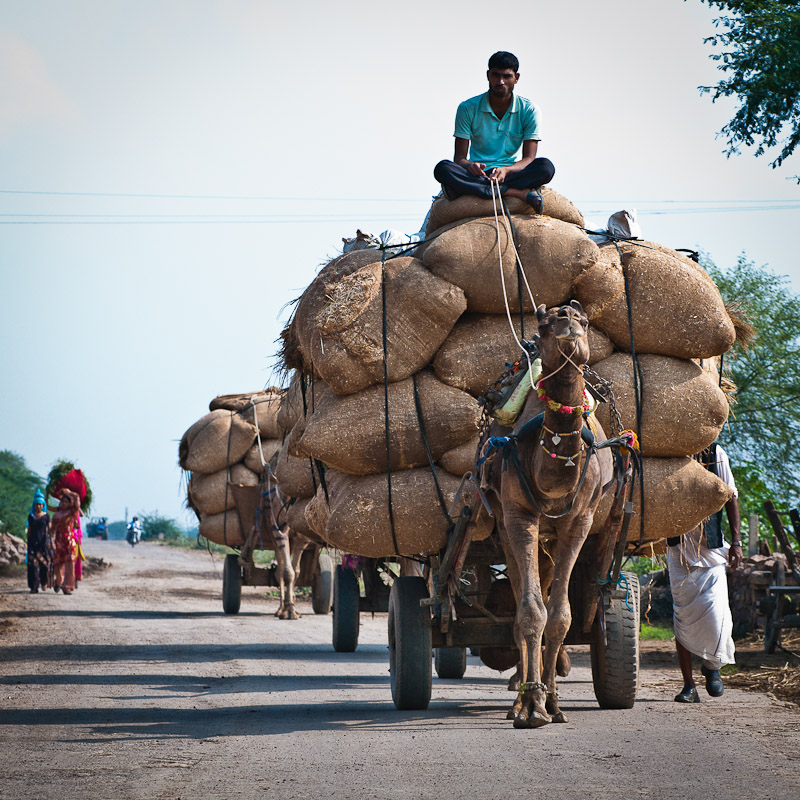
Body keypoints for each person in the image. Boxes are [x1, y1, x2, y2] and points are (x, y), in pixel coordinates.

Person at [666, 442, 743, 703]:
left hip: (710, 550)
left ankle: (712, 666)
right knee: (683, 618)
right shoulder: (667, 456)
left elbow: (730, 495)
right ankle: (689, 686)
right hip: (678, 552)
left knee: (717, 616)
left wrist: (736, 542)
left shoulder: (715, 454)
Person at [433, 51, 555, 209]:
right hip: (479, 174)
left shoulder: (529, 110)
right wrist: (470, 166)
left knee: (546, 167)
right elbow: (459, 158)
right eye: (495, 75)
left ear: (516, 78)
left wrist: (506, 170)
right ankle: (516, 193)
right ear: (488, 75)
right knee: (442, 168)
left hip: (512, 173)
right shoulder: (467, 108)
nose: (501, 81)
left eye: (507, 76)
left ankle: (473, 188)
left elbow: (529, 159)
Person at [50, 487, 82, 595]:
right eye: (62, 501)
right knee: (58, 564)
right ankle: (58, 582)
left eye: (66, 501)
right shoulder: (56, 515)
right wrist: (51, 541)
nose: (63, 503)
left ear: (70, 504)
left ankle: (67, 586)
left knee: (70, 565)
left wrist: (69, 492)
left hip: (70, 541)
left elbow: (77, 501)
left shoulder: (72, 513)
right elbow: (52, 531)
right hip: (59, 541)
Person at [26, 489, 52, 593]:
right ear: (34, 505)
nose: (38, 506)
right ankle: (34, 587)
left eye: (40, 504)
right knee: (33, 566)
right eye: (36, 504)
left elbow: (49, 530)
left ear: (43, 505)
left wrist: (51, 542)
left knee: (44, 564)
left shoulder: (46, 516)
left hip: (43, 544)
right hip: (33, 544)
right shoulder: (31, 517)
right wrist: (27, 542)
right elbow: (29, 530)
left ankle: (44, 582)